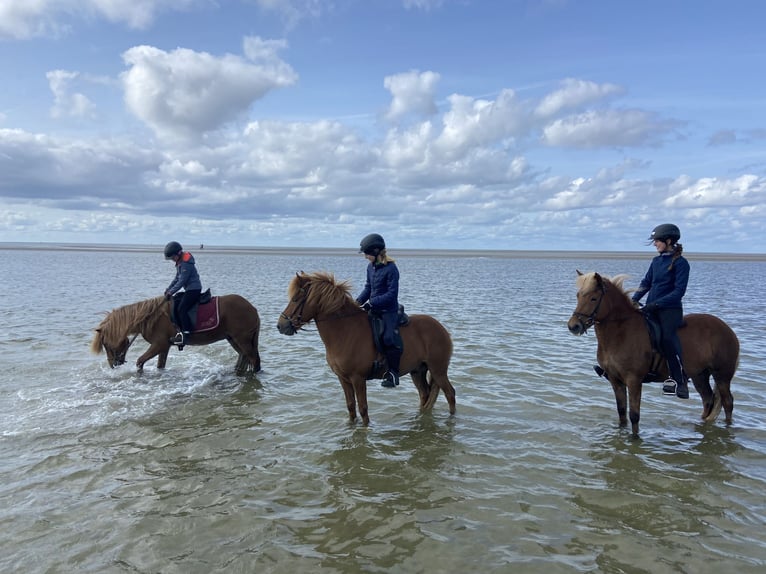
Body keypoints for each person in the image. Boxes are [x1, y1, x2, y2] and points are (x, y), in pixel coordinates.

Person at [631, 223, 690, 399]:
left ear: (669, 241)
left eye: (657, 241)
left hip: (669, 310)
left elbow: (678, 292)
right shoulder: (656, 261)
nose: (655, 244)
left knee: (666, 338)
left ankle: (680, 381)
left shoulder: (681, 263)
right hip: (650, 307)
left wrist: (656, 304)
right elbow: (646, 282)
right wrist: (634, 299)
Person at [355, 233, 402, 388]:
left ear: (375, 252)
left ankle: (393, 373)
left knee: (388, 338)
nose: (365, 257)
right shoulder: (371, 267)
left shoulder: (391, 269)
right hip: (374, 309)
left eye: (367, 254)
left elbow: (391, 294)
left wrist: (372, 303)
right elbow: (368, 288)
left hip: (389, 310)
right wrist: (357, 302)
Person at [163, 241, 202, 346]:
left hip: (194, 290)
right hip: (188, 290)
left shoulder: (185, 263)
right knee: (175, 303)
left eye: (172, 257)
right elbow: (177, 278)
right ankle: (178, 331)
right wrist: (168, 289)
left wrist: (171, 292)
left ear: (179, 253)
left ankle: (186, 334)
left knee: (182, 309)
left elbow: (182, 281)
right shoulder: (180, 263)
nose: (172, 260)